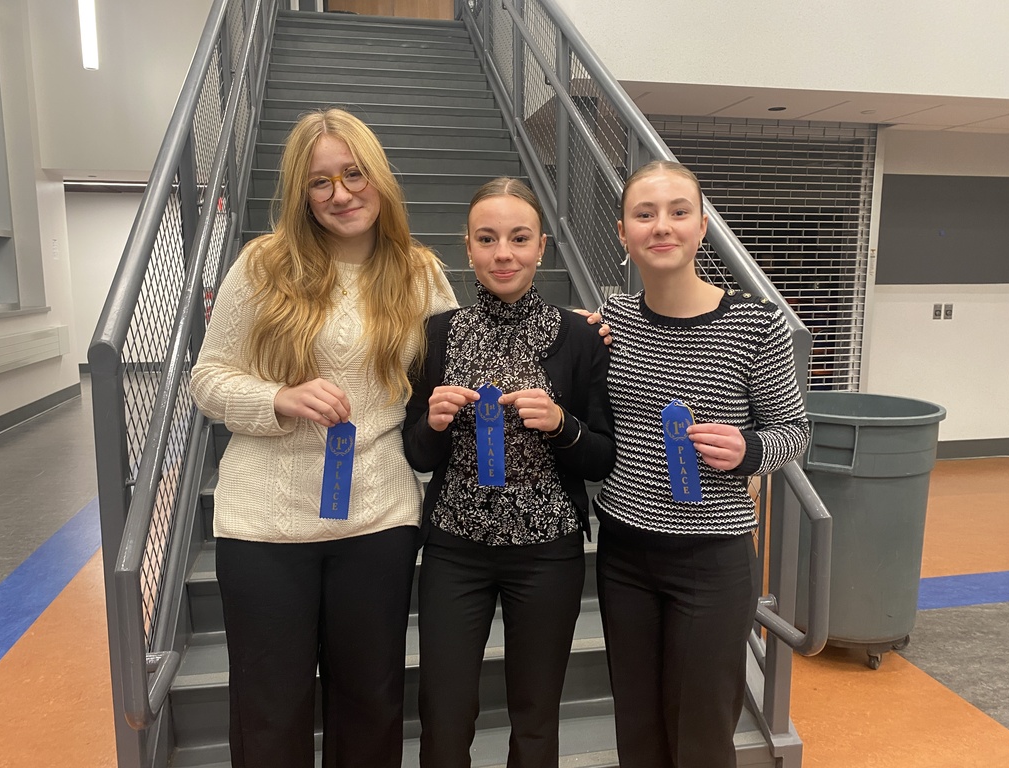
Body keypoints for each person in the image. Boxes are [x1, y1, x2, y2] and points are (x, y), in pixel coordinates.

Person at [190, 108, 457, 768]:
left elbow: (467, 358)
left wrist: (573, 332)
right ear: (300, 194)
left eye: (353, 173)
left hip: (377, 518)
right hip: (264, 527)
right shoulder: (263, 265)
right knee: (270, 710)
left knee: (371, 704)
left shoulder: (420, 272)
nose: (341, 194)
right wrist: (277, 398)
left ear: (378, 178)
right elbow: (208, 378)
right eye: (320, 182)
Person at [595, 160, 810, 768]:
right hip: (625, 553)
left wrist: (750, 449)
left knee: (701, 737)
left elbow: (794, 434)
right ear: (623, 233)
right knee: (636, 728)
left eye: (678, 212)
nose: (661, 226)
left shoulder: (756, 322)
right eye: (645, 214)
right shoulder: (610, 324)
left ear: (702, 226)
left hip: (712, 560)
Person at [402, 177, 615, 768]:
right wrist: (435, 423)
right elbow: (418, 454)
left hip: (548, 549)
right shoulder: (439, 333)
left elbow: (601, 454)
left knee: (536, 711)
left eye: (519, 238)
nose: (504, 254)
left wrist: (561, 424)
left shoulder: (578, 336)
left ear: (541, 247)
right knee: (444, 713)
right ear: (466, 247)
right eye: (488, 239)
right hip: (456, 547)